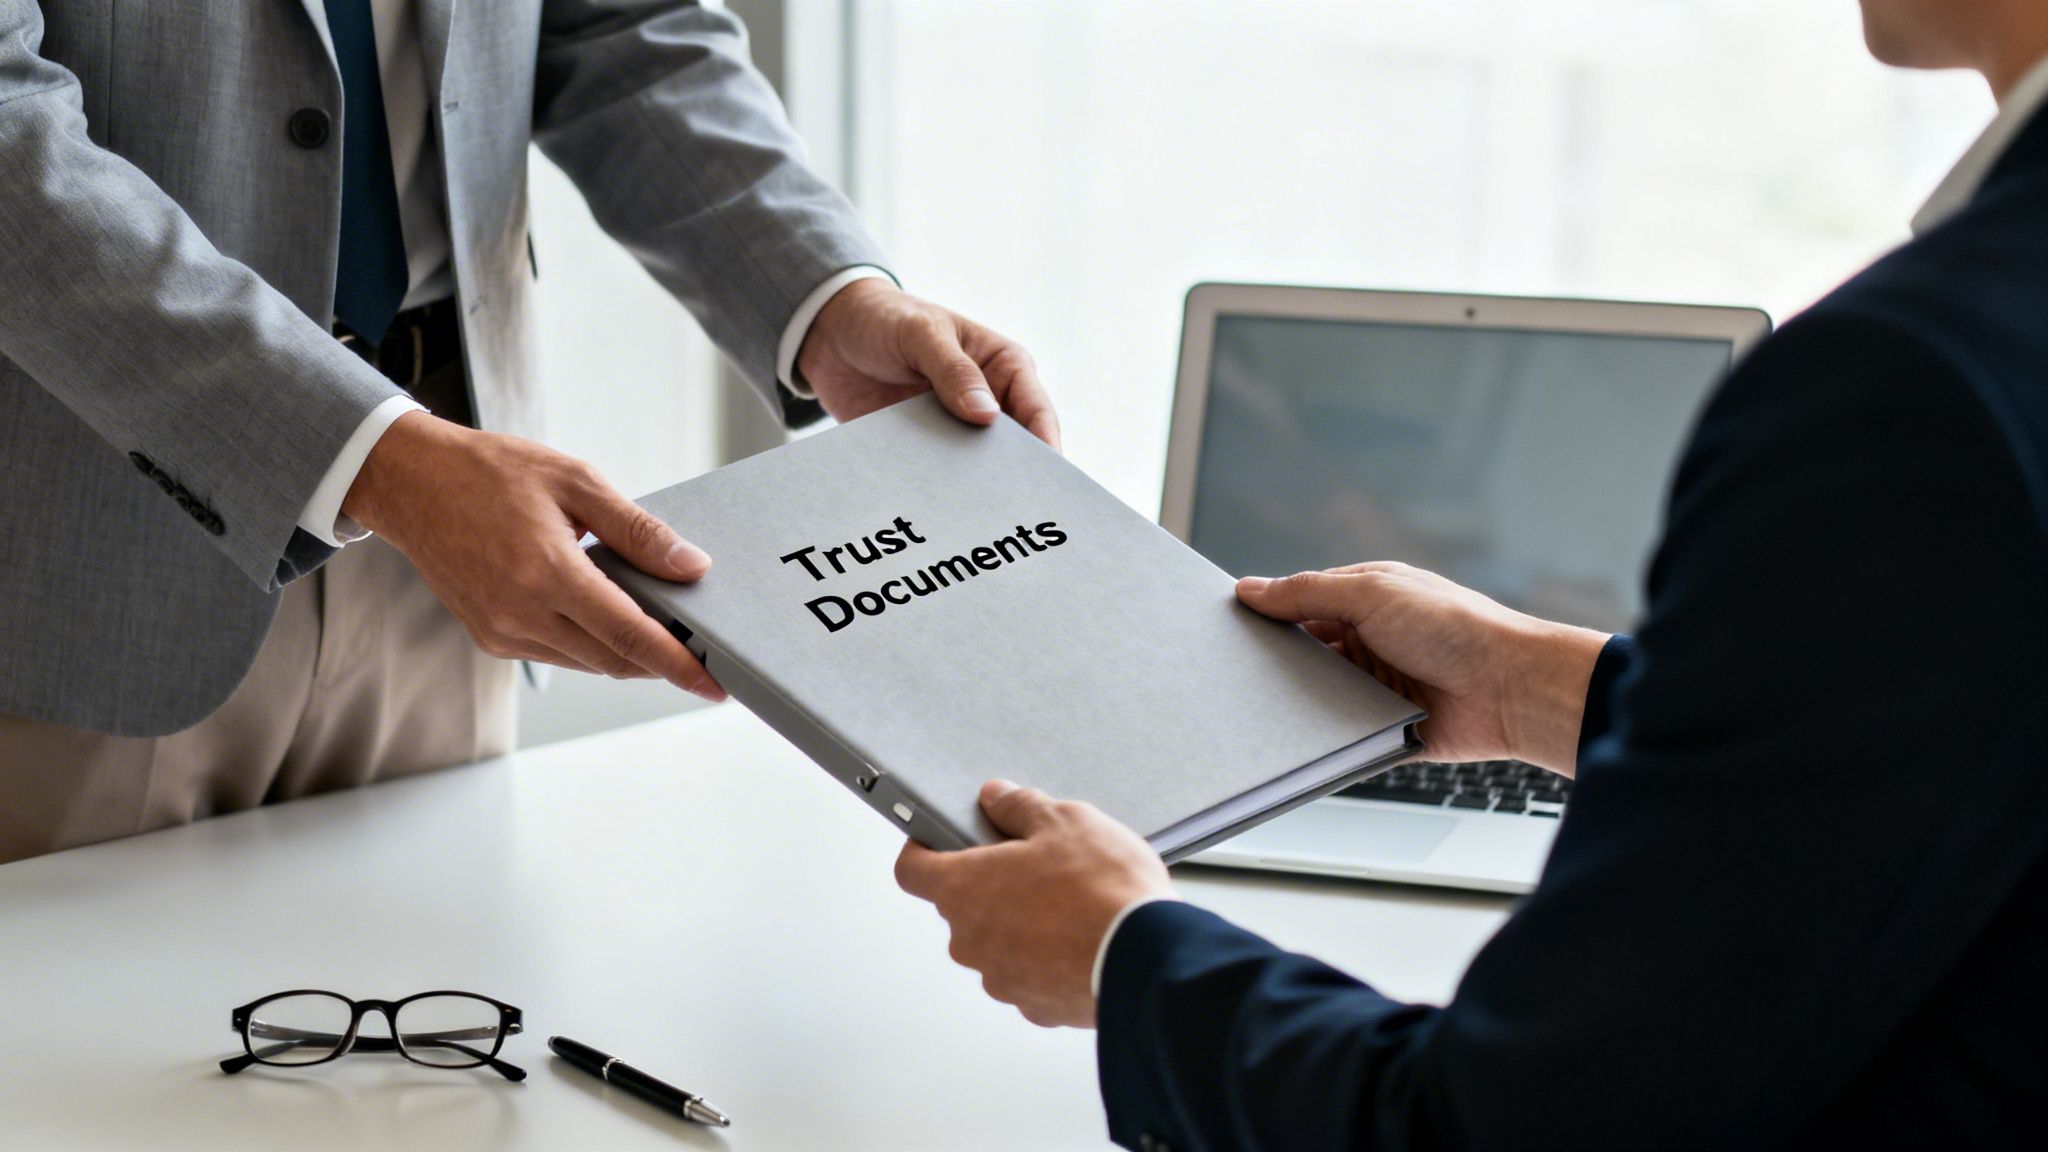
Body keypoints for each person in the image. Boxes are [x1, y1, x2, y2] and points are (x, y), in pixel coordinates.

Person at [895, 1, 2048, 1147]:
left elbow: (1507, 1128)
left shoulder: (1913, 378)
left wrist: (1121, 955)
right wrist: (1526, 684)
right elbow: (1947, 756)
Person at [0, 0, 1057, 864]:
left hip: (454, 549)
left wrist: (825, 299)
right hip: (84, 539)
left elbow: (623, 28)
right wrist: (377, 460)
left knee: (426, 1073)